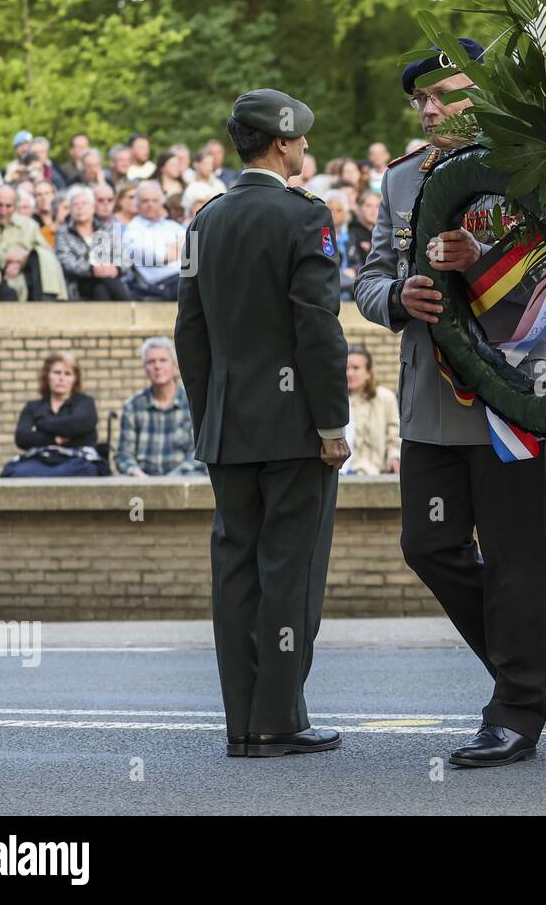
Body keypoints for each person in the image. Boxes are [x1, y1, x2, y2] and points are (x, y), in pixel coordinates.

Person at [354, 37, 546, 769]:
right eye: (420, 101)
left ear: (481, 93)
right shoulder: (403, 180)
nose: (429, 110)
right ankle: (528, 656)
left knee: (513, 558)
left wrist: (486, 266)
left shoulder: (532, 162)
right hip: (430, 397)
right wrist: (396, 298)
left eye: (443, 95)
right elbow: (370, 275)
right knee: (428, 545)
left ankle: (515, 710)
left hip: (511, 394)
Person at [174, 87, 350, 760]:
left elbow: (190, 334)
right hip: (293, 427)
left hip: (229, 429)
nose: (306, 149)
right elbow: (317, 328)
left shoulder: (205, 221)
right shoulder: (305, 216)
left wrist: (208, 416)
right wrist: (332, 422)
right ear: (281, 143)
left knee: (236, 573)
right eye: (301, 139)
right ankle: (279, 718)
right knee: (290, 571)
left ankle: (243, 723)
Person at [6, 351, 104, 477]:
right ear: (48, 376)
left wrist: (41, 426)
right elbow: (22, 438)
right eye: (57, 372)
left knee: (87, 470)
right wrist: (57, 438)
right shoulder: (33, 407)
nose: (61, 378)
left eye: (67, 374)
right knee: (15, 473)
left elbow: (82, 426)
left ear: (75, 379)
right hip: (39, 462)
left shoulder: (85, 403)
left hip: (77, 462)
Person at [115, 337, 202, 476]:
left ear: (175, 366)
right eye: (151, 362)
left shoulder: (194, 403)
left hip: (183, 481)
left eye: (163, 360)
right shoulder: (132, 406)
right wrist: (138, 475)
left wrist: (169, 481)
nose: (157, 366)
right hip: (142, 482)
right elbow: (124, 455)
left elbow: (198, 454)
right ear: (145, 368)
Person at [0, 184, 70, 301]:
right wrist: (6, 258)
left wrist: (23, 260)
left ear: (15, 207)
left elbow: (48, 255)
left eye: (9, 206)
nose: (3, 211)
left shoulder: (29, 225)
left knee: (42, 254)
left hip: (24, 274)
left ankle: (46, 302)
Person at [55, 185, 130, 301]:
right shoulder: (63, 232)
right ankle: (130, 312)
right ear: (70, 209)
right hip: (80, 282)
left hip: (106, 280)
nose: (80, 208)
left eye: (84, 203)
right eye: (75, 204)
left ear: (93, 207)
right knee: (105, 282)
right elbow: (66, 261)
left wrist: (116, 268)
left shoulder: (106, 228)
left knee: (101, 289)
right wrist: (91, 269)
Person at [343, 345, 400, 475]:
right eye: (346, 369)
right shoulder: (340, 401)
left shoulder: (386, 398)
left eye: (356, 368)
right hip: (346, 473)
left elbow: (394, 437)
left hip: (377, 473)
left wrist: (394, 457)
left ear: (369, 373)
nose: (349, 373)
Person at [124, 181, 183, 300]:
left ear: (161, 203)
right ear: (137, 204)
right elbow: (157, 256)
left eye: (155, 200)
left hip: (183, 278)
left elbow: (193, 250)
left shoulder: (172, 226)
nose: (150, 204)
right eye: (145, 201)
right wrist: (173, 251)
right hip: (158, 286)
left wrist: (171, 252)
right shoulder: (132, 230)